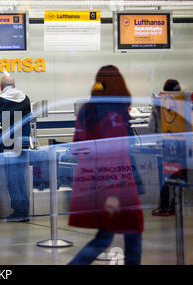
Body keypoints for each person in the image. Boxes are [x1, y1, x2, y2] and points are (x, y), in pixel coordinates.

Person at [67, 65, 144, 265]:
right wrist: (112, 193)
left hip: (96, 180)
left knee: (107, 237)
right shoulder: (113, 115)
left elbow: (78, 148)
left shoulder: (87, 110)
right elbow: (113, 155)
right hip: (118, 184)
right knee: (128, 235)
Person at [0, 75, 31, 222]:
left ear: (1, 87)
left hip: (9, 145)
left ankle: (18, 212)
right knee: (20, 178)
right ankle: (24, 210)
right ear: (14, 84)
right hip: (23, 144)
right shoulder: (26, 99)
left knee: (12, 178)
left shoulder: (0, 101)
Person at [150, 79, 181, 216]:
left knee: (164, 177)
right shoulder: (183, 104)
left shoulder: (157, 105)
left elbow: (150, 128)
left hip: (161, 146)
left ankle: (164, 207)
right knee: (177, 175)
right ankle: (175, 205)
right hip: (178, 145)